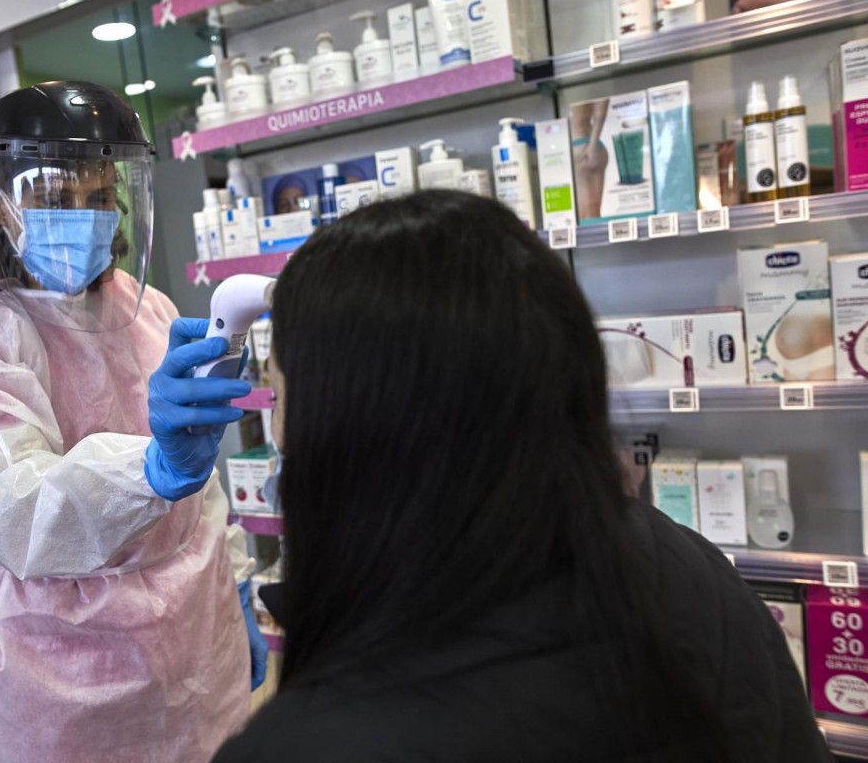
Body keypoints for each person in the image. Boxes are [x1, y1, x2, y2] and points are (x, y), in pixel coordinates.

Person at [213, 192, 830, 762]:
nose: (281, 430)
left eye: (278, 387)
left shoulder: (311, 740)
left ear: (347, 423)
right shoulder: (688, 566)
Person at [0, 81, 266, 763]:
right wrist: (149, 471)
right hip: (67, 667)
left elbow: (203, 480)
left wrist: (239, 577)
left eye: (100, 197)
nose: (85, 215)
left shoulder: (145, 305)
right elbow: (12, 507)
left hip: (198, 631)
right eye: (54, 197)